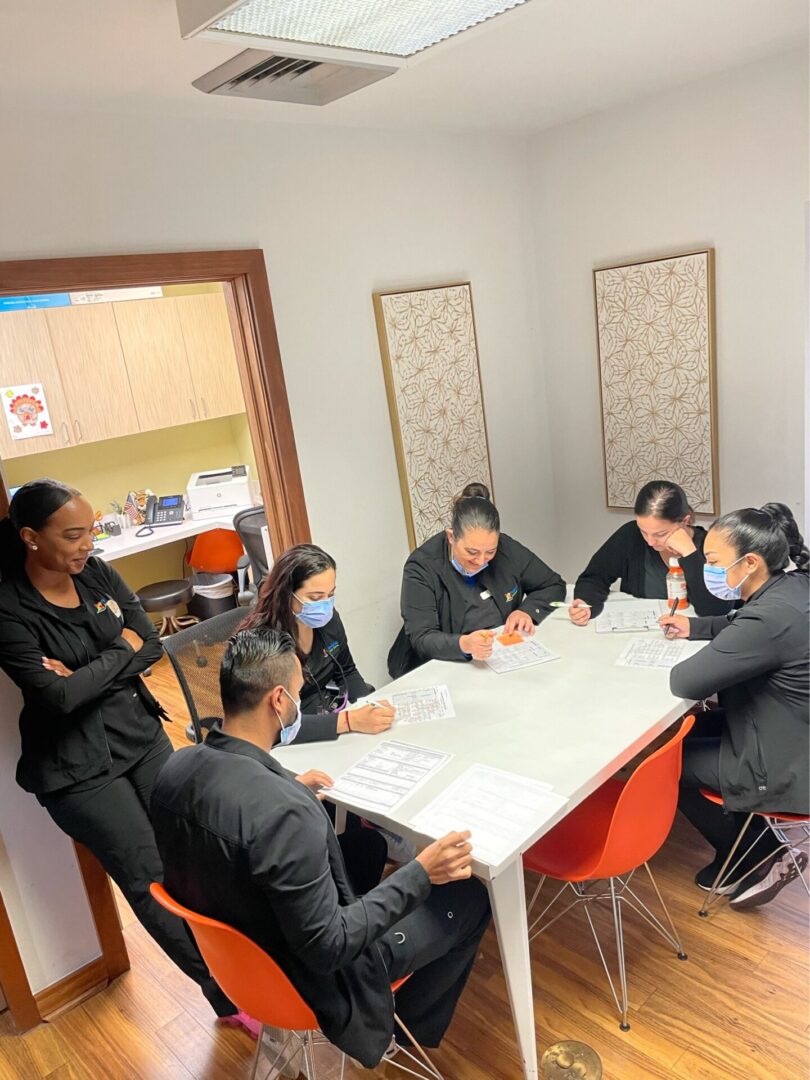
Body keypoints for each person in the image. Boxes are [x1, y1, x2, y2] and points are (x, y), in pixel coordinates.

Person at [151, 627, 491, 1069]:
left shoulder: (177, 766)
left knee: (366, 843)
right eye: (296, 692)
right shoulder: (284, 814)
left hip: (242, 957)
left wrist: (286, 788)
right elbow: (330, 946)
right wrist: (421, 872)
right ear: (278, 700)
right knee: (470, 896)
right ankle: (405, 1027)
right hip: (314, 979)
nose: (297, 701)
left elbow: (231, 823)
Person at [0, 479, 255, 1035]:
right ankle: (229, 996)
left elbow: (154, 641)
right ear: (30, 538)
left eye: (90, 529)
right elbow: (59, 697)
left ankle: (252, 968)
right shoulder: (8, 607)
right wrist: (121, 650)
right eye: (73, 534)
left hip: (141, 737)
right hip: (77, 771)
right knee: (151, 879)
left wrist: (95, 668)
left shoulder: (94, 574)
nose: (88, 542)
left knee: (197, 854)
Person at [661, 503, 809, 910]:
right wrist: (699, 627)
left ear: (750, 562)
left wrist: (707, 641)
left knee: (667, 764)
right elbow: (745, 622)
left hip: (789, 764)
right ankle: (756, 840)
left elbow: (685, 681)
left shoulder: (771, 619)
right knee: (687, 731)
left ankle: (747, 853)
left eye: (711, 561)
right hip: (789, 727)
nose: (706, 568)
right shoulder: (792, 587)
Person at [389, 483, 565, 677]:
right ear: (451, 537)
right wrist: (463, 644)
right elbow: (422, 638)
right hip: (442, 667)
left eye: (490, 552)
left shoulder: (506, 549)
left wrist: (526, 612)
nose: (481, 561)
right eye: (472, 552)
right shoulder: (422, 566)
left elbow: (552, 584)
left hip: (499, 657)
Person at [241, 543, 396, 742]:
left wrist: (367, 706)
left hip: (328, 720)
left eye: (330, 595)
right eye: (315, 597)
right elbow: (274, 725)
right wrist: (347, 721)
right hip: (288, 740)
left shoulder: (328, 621)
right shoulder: (262, 643)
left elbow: (347, 671)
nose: (325, 605)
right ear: (286, 594)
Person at [569, 479, 734, 626]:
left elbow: (717, 610)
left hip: (689, 638)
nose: (650, 542)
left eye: (660, 534)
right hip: (638, 630)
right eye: (644, 532)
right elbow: (594, 577)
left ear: (685, 521)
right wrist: (586, 602)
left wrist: (689, 553)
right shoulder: (630, 535)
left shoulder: (711, 546)